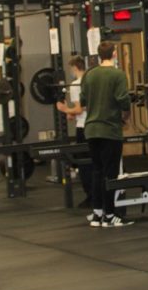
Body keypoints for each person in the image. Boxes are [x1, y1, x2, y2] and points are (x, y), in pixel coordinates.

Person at [80, 41, 133, 228]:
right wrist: (125, 115)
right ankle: (110, 215)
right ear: (114, 54)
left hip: (92, 130)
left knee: (97, 171)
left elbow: (83, 100)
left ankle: (97, 214)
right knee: (110, 174)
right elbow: (123, 101)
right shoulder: (118, 75)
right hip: (110, 130)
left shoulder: (89, 74)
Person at [56, 55, 94, 207]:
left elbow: (79, 108)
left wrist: (65, 109)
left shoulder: (75, 85)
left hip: (83, 128)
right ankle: (97, 195)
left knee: (84, 164)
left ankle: (91, 197)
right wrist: (71, 112)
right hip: (94, 126)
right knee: (95, 162)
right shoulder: (92, 81)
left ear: (74, 68)